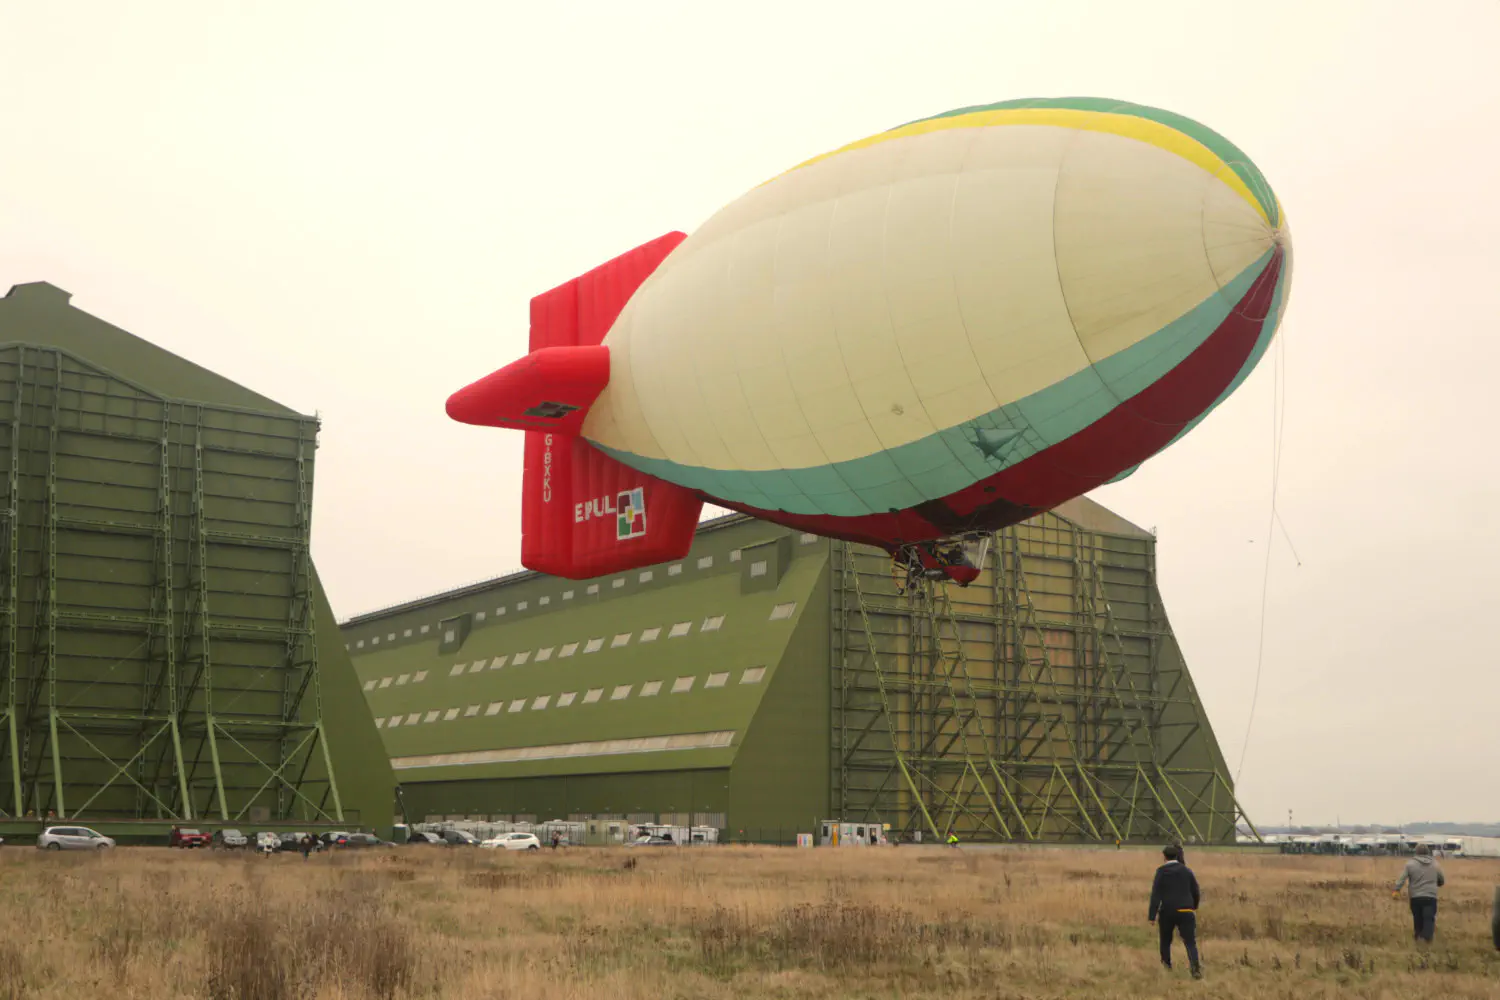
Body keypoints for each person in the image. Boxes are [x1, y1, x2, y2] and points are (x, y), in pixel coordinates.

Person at [1149, 844, 1202, 979]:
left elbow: (1156, 894)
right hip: (1186, 910)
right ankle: (1195, 969)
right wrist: (1193, 906)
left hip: (1167, 911)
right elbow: (1195, 891)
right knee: (1190, 942)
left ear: (1164, 856)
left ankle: (1167, 967)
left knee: (1165, 941)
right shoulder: (1187, 871)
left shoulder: (1161, 872)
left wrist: (1152, 915)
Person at [1393, 843, 1445, 943]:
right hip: (1430, 896)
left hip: (1415, 897)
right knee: (1428, 918)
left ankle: (1418, 937)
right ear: (1428, 852)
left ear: (1416, 852)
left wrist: (1396, 890)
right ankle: (1427, 940)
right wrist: (1436, 883)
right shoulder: (1435, 864)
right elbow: (1441, 880)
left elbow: (1402, 879)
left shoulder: (1410, 864)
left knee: (1417, 918)